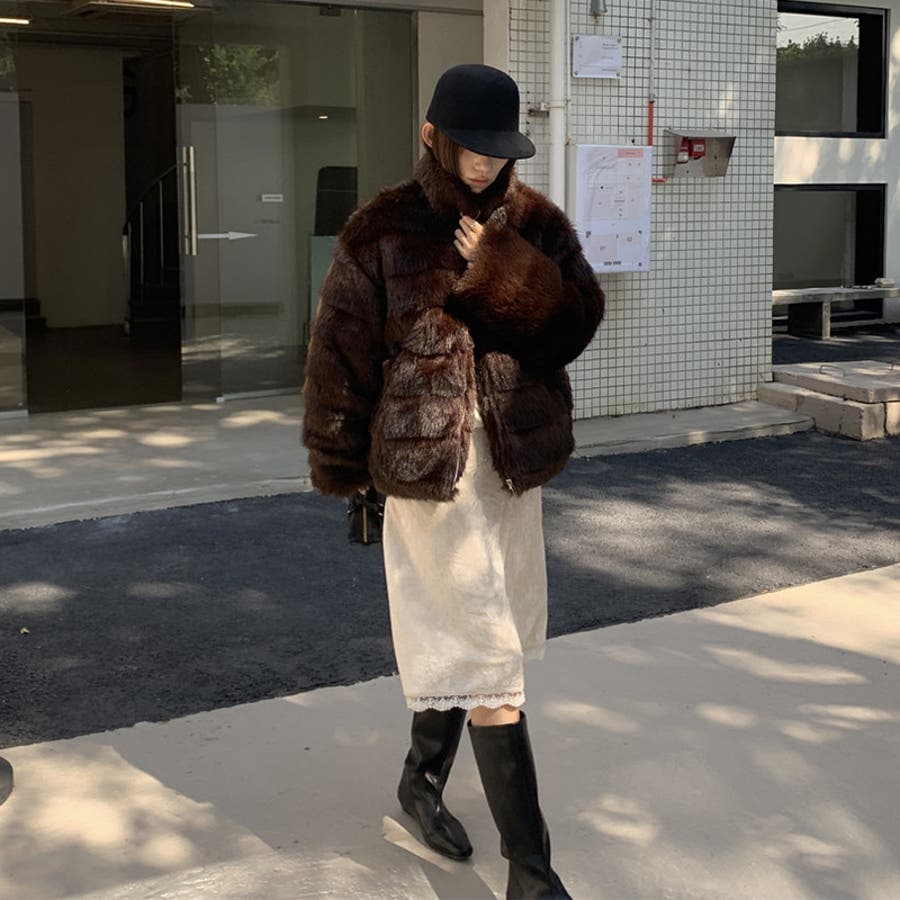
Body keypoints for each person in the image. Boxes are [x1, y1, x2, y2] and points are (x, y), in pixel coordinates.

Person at [302, 63, 604, 899]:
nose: (483, 163)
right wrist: (347, 474)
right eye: (470, 146)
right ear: (431, 135)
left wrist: (505, 269)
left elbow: (575, 328)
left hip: (508, 471)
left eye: (498, 149)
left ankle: (419, 782)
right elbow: (338, 361)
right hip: (430, 478)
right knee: (489, 661)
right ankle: (533, 876)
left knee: (468, 637)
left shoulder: (534, 223)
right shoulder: (382, 230)